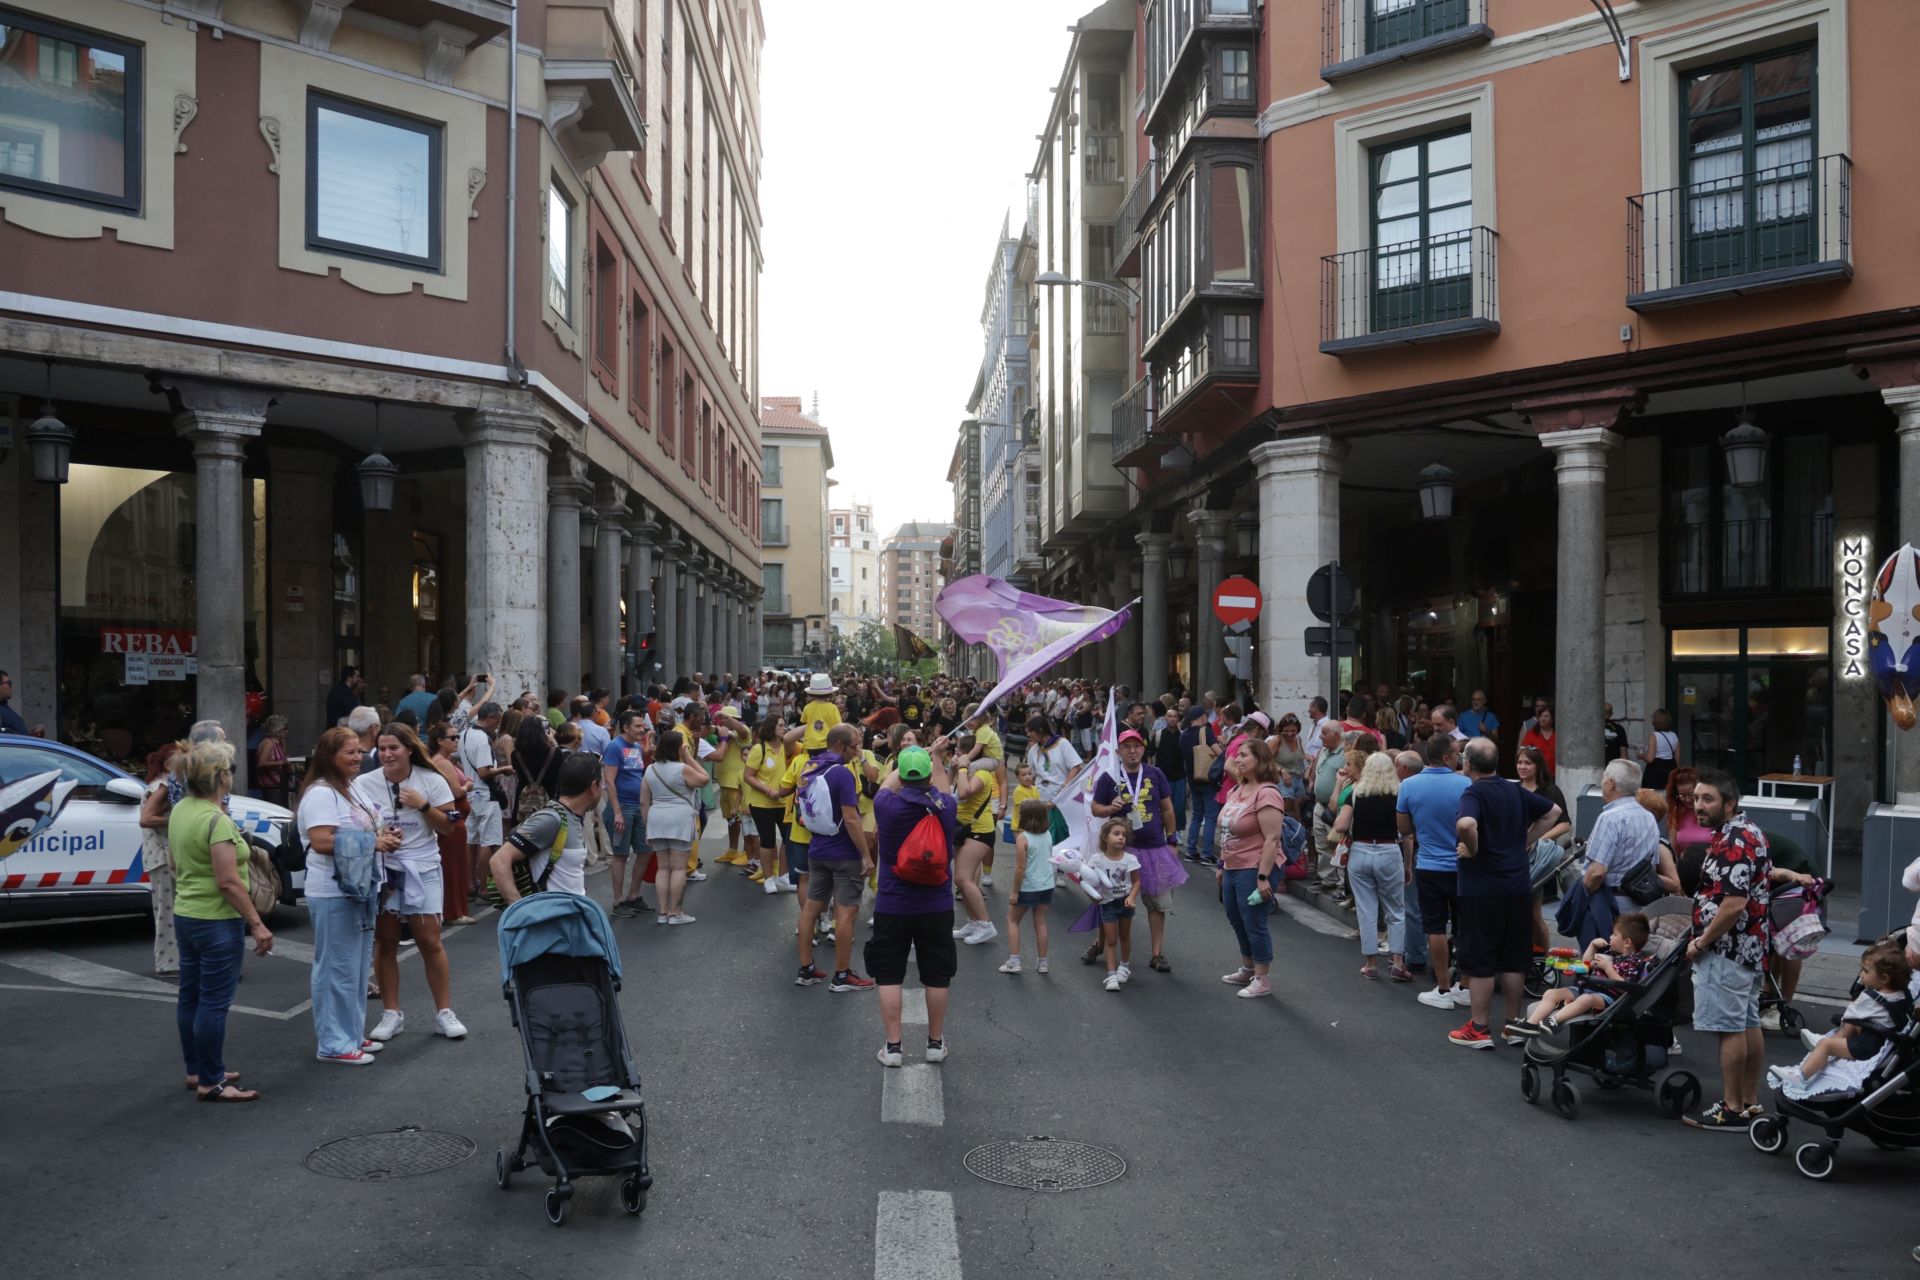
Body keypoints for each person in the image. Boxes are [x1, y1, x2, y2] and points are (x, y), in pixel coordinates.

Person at [168, 739, 272, 1101]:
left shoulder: (182, 809)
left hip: (187, 914)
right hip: (216, 920)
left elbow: (174, 864)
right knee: (213, 1001)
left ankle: (198, 1069)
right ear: (221, 777)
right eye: (230, 769)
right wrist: (256, 923)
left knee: (191, 997)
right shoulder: (216, 821)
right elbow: (227, 880)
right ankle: (212, 1081)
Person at [1451, 737, 1563, 1050]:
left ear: (1468, 764)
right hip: (1517, 885)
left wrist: (1472, 849)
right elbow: (1553, 812)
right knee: (1514, 958)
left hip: (1481, 889)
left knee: (1481, 959)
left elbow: (1465, 823)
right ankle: (1513, 1026)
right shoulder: (1516, 789)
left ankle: (1479, 1028)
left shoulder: (1473, 792)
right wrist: (1526, 840)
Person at [298, 726, 397, 1067]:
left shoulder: (350, 787)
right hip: (332, 891)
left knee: (355, 969)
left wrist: (384, 834)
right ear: (330, 757)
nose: (358, 758)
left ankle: (351, 1034)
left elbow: (368, 825)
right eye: (350, 753)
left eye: (358, 751)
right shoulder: (321, 794)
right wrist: (374, 843)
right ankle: (333, 1043)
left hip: (359, 888)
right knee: (336, 968)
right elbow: (321, 840)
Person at [357, 723, 461, 1043]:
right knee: (385, 942)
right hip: (384, 869)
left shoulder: (431, 780)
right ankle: (391, 1013)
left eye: (394, 748)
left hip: (423, 867)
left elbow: (448, 828)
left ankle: (444, 1012)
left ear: (410, 749)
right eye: (382, 748)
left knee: (429, 941)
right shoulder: (363, 784)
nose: (387, 754)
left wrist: (423, 805)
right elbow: (354, 825)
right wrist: (378, 837)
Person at [1683, 767, 1773, 1131]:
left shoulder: (1734, 840)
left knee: (1730, 1029)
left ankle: (1732, 1108)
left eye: (1708, 799)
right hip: (1749, 947)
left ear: (1730, 803)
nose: (1699, 806)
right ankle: (1749, 1103)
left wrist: (1702, 942)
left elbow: (1733, 903)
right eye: (1696, 798)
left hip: (1727, 949)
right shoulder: (1748, 831)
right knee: (1747, 1022)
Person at [869, 743, 958, 1068]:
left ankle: (894, 1048)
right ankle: (934, 1043)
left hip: (893, 903)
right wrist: (936, 754)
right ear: (929, 777)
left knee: (890, 974)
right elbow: (945, 786)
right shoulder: (945, 806)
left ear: (903, 775)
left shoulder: (886, 805)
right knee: (936, 976)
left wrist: (909, 760)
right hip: (935, 904)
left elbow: (886, 785)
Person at [1091, 728, 1185, 973]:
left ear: (1143, 749)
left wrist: (1172, 839)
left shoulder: (1155, 774)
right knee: (1112, 900)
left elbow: (1167, 808)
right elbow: (1095, 809)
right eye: (1127, 747)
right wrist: (1110, 808)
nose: (1132, 751)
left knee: (1157, 904)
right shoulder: (1110, 777)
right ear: (1118, 751)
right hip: (1121, 852)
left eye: (1137, 746)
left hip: (1154, 849)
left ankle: (1157, 954)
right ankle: (1100, 943)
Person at [794, 724, 876, 991]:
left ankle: (806, 969)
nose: (857, 751)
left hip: (817, 848)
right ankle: (842, 975)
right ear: (840, 746)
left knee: (811, 909)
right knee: (846, 912)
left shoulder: (809, 767)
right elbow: (851, 818)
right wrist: (866, 855)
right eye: (854, 746)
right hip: (844, 853)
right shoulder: (841, 773)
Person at [1769, 943, 1913, 1088]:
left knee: (1827, 1044)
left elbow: (1849, 1015)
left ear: (1885, 978)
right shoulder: (1903, 993)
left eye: (1865, 971)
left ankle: (1801, 1077)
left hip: (1867, 1046)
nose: (1861, 974)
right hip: (1885, 1039)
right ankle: (1830, 1041)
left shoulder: (1871, 997)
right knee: (1853, 1024)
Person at [1399, 734, 1471, 1008]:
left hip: (1429, 864)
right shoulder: (1465, 784)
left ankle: (1442, 989)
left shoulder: (1409, 785)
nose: (1459, 758)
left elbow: (1404, 829)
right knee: (1465, 926)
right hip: (1461, 864)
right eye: (1456, 754)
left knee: (1435, 927)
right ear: (1446, 757)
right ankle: (1464, 986)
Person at [1214, 736, 1287, 999]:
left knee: (1254, 920)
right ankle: (1247, 967)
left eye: (1244, 755)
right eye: (1237, 755)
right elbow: (1225, 832)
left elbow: (1272, 838)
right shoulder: (1236, 790)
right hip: (1233, 864)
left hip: (1255, 866)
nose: (1237, 760)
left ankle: (1262, 978)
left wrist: (1264, 877)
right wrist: (1222, 864)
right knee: (1235, 916)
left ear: (1260, 760)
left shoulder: (1267, 793)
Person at [1332, 751, 1411, 982]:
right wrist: (1407, 865)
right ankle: (1397, 962)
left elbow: (1340, 826)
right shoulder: (1399, 794)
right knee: (1395, 910)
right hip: (1388, 851)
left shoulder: (1356, 794)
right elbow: (1406, 835)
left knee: (1366, 910)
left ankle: (1371, 964)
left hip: (1361, 851)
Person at [1507, 914, 1652, 1038]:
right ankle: (1531, 1024)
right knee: (1552, 993)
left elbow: (1626, 988)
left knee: (1585, 999)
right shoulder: (1608, 951)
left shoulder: (1635, 962)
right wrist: (1592, 947)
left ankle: (1554, 1021)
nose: (1610, 937)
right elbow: (1585, 966)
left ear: (1626, 942)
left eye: (1614, 934)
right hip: (1584, 987)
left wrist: (1608, 969)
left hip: (1606, 996)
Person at [490, 753, 605, 903]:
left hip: (571, 916)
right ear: (594, 786)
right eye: (602, 784)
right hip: (553, 919)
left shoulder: (572, 816)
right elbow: (499, 860)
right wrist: (519, 909)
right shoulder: (552, 819)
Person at [1580, 759, 1674, 916]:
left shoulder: (1609, 818)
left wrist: (1582, 896)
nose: (1601, 783)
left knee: (1600, 941)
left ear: (1610, 783)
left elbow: (1597, 872)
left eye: (1603, 778)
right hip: (1640, 903)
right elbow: (1652, 865)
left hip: (1609, 902)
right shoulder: (1649, 818)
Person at [642, 728, 708, 924]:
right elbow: (704, 778)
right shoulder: (682, 769)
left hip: (656, 817)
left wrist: (647, 828)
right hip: (679, 817)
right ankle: (676, 912)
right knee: (679, 868)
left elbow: (644, 801)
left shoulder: (650, 769)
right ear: (678, 748)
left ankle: (662, 913)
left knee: (663, 868)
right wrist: (688, 756)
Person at [951, 733, 1002, 946]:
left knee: (962, 878)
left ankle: (985, 924)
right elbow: (949, 790)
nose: (955, 753)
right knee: (965, 879)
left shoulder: (982, 773)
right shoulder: (968, 770)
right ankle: (973, 922)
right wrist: (954, 768)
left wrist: (962, 768)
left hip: (979, 832)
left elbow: (963, 792)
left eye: (958, 751)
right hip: (963, 829)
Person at [1080, 818, 1142, 993]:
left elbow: (1137, 881)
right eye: (1116, 834)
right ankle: (1111, 974)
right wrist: (1092, 897)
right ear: (1105, 837)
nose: (1121, 837)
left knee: (1124, 936)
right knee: (1110, 939)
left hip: (1125, 903)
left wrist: (1131, 897)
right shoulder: (1097, 860)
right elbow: (1087, 880)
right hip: (1107, 904)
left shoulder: (1130, 859)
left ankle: (1124, 965)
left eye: (1123, 835)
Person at [602, 710, 652, 916]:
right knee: (621, 856)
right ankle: (618, 901)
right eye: (638, 726)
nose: (642, 729)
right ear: (625, 728)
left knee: (645, 851)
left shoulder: (637, 747)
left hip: (639, 807)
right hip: (622, 808)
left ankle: (633, 895)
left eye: (642, 726)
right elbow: (610, 781)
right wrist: (617, 812)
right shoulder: (614, 747)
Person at [425, 723, 475, 924]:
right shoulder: (443, 763)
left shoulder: (443, 761)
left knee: (452, 866)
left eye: (457, 737)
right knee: (454, 866)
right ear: (439, 741)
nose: (456, 741)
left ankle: (453, 909)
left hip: (454, 818)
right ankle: (454, 911)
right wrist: (468, 786)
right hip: (454, 820)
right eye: (452, 738)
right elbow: (456, 792)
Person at [998, 799, 1054, 975]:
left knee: (1012, 919)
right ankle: (1043, 962)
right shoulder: (1048, 835)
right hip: (1047, 885)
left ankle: (1014, 961)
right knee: (1040, 921)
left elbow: (1021, 868)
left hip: (1029, 886)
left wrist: (1015, 891)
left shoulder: (1023, 838)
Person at [458, 702, 508, 892]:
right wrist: (504, 769)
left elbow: (456, 759)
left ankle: (470, 884)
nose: (498, 724)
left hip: (470, 793)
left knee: (471, 840)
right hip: (486, 794)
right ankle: (484, 887)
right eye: (498, 719)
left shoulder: (463, 735)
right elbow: (484, 771)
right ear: (491, 718)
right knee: (489, 841)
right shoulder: (483, 739)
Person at [745, 715, 791, 892]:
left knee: (788, 840)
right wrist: (767, 790)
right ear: (771, 727)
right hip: (762, 803)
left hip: (784, 802)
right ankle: (768, 878)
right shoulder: (759, 749)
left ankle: (783, 877)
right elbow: (748, 776)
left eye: (784, 725)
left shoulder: (788, 746)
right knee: (768, 840)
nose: (784, 728)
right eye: (780, 725)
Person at [1024, 714, 1083, 845]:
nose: (1028, 735)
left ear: (1040, 730)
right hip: (1042, 801)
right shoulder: (1033, 750)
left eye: (1030, 731)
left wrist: (1065, 788)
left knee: (1062, 834)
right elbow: (1031, 775)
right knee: (1044, 836)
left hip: (1062, 799)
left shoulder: (1062, 744)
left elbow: (1075, 766)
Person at [710, 710, 750, 869]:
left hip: (736, 784)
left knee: (744, 820)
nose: (724, 722)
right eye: (722, 719)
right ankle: (733, 850)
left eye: (727, 719)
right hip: (725, 783)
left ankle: (748, 853)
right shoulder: (723, 735)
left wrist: (727, 719)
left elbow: (741, 730)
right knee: (731, 819)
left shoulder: (743, 732)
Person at [1181, 707, 1222, 863]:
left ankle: (1191, 850)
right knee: (1211, 817)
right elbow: (1218, 753)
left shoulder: (1183, 734)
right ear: (1202, 717)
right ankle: (1207, 853)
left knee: (1197, 815)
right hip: (1207, 778)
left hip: (1192, 779)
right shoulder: (1205, 731)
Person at [255, 715, 290, 806]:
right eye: (284, 729)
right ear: (277, 730)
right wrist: (282, 762)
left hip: (279, 783)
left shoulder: (278, 743)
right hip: (271, 785)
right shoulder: (269, 743)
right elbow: (261, 763)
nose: (287, 731)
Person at [1643, 708, 1680, 792]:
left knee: (1652, 799)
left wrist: (1641, 756)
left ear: (1655, 721)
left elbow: (1650, 758)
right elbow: (1677, 759)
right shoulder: (1674, 735)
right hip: (1671, 768)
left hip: (1655, 770)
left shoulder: (1654, 735)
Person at [1518, 705, 1557, 777]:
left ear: (1552, 719)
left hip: (1555, 774)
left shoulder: (1558, 735)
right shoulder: (1531, 734)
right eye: (1541, 716)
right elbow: (1524, 752)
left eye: (1546, 716)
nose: (1542, 719)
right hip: (1536, 774)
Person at [326, 665, 364, 729]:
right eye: (357, 676)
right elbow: (354, 713)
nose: (359, 679)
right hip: (340, 731)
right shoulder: (346, 692)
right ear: (349, 678)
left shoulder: (336, 689)